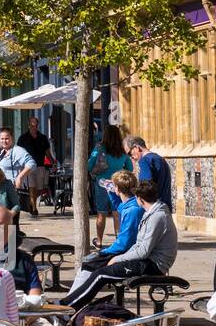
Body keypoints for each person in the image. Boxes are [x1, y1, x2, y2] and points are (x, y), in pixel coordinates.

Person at [64, 179, 178, 309]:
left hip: (155, 264)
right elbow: (138, 246)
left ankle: (67, 307)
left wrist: (117, 259)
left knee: (101, 275)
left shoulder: (157, 217)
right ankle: (69, 304)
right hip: (147, 260)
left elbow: (143, 251)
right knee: (100, 271)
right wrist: (120, 258)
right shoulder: (152, 213)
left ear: (139, 198)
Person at [87, 125, 132, 249]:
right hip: (117, 185)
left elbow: (89, 165)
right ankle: (119, 241)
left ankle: (99, 241)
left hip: (102, 184)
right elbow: (130, 168)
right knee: (117, 213)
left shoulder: (99, 148)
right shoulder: (122, 151)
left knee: (101, 214)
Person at [95, 170, 142, 258]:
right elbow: (119, 206)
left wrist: (103, 253)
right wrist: (110, 192)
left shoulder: (132, 210)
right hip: (132, 251)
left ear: (118, 189)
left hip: (133, 254)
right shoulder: (131, 203)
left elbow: (124, 244)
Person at [17, 115, 52, 217]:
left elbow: (47, 151)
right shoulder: (23, 138)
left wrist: (52, 161)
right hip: (28, 166)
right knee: (32, 186)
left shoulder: (43, 137)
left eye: (35, 125)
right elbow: (18, 152)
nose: (34, 127)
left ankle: (31, 202)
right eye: (32, 125)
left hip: (40, 165)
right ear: (29, 126)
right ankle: (34, 208)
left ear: (37, 126)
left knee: (40, 189)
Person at [125, 135, 172, 210]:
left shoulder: (144, 161)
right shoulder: (160, 159)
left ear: (137, 148)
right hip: (165, 207)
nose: (131, 157)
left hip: (153, 209)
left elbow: (145, 188)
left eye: (129, 153)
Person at [0, 128, 35, 208]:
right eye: (2, 139)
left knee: (9, 218)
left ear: (12, 139)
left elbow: (32, 163)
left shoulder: (17, 151)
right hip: (0, 191)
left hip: (11, 192)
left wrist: (20, 177)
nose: (4, 141)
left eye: (7, 138)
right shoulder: (1, 152)